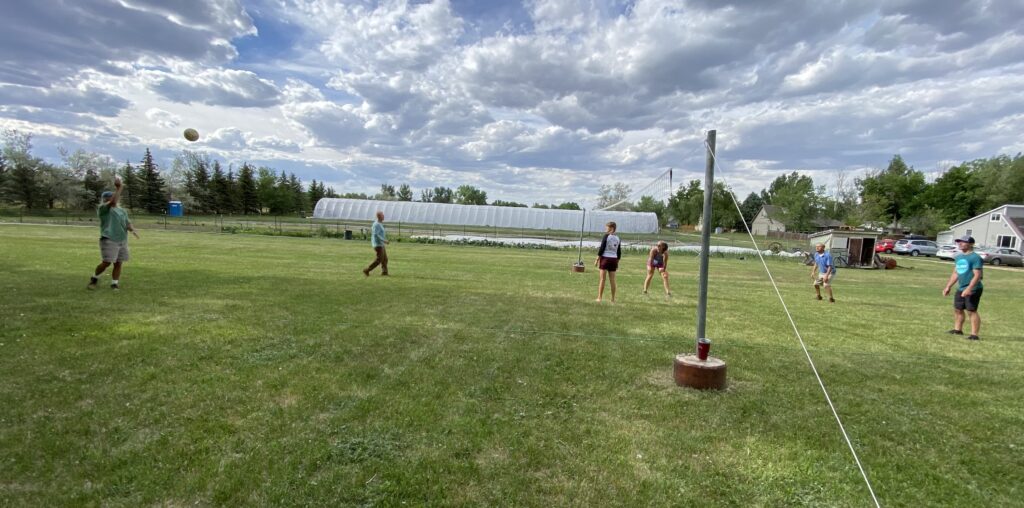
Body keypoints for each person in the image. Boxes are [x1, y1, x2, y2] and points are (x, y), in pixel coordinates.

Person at [87, 176, 139, 291]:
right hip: (109, 239)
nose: (114, 199)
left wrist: (132, 230)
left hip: (122, 239)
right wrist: (120, 187)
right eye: (110, 197)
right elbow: (113, 201)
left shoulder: (122, 211)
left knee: (118, 263)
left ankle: (114, 284)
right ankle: (94, 278)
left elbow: (127, 223)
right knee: (107, 262)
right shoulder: (104, 209)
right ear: (106, 199)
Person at [942, 235, 983, 340]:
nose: (960, 243)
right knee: (958, 309)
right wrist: (948, 286)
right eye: (959, 242)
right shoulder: (959, 257)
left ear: (971, 244)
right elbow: (956, 273)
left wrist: (969, 288)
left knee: (971, 310)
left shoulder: (975, 257)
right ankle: (958, 330)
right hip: (961, 287)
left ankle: (974, 335)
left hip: (973, 288)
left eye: (963, 242)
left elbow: (977, 275)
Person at [594, 221, 621, 302]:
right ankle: (612, 299)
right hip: (614, 260)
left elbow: (602, 248)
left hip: (605, 259)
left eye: (607, 227)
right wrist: (617, 262)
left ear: (612, 228)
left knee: (602, 279)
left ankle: (599, 298)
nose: (606, 229)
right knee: (612, 280)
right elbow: (619, 252)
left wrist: (597, 259)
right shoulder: (618, 238)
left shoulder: (606, 236)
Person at [363, 211, 390, 277]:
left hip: (381, 244)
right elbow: (376, 235)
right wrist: (384, 241)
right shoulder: (376, 224)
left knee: (385, 259)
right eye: (382, 215)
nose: (384, 216)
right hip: (378, 245)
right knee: (379, 260)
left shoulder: (379, 223)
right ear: (379, 216)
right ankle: (367, 270)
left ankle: (384, 272)